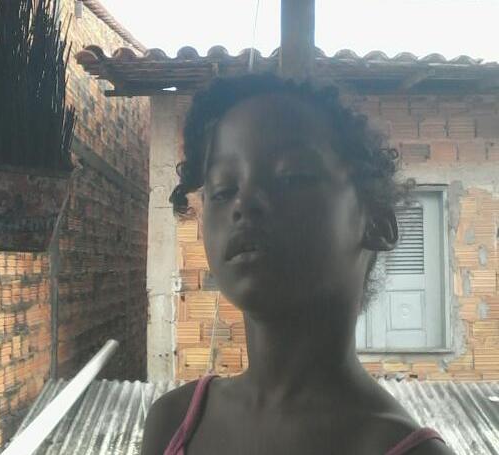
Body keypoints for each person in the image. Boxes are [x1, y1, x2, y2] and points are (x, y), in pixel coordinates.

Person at [141, 73, 454, 455]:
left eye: (292, 177)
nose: (244, 203)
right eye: (223, 189)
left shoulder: (408, 451)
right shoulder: (173, 422)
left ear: (376, 223)